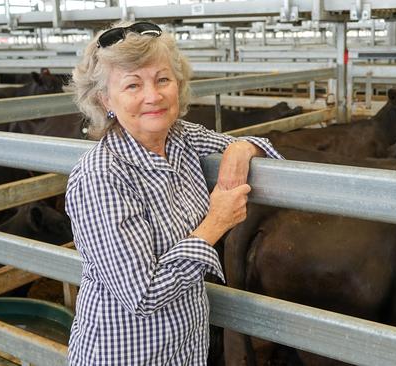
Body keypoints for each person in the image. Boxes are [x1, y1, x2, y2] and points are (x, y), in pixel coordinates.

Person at [66, 21, 282, 365]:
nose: (153, 96)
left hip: (184, 350)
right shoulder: (101, 177)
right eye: (133, 84)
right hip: (124, 354)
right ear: (105, 99)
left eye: (162, 79)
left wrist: (243, 147)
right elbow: (143, 295)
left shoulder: (182, 138)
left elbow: (271, 151)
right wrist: (216, 222)